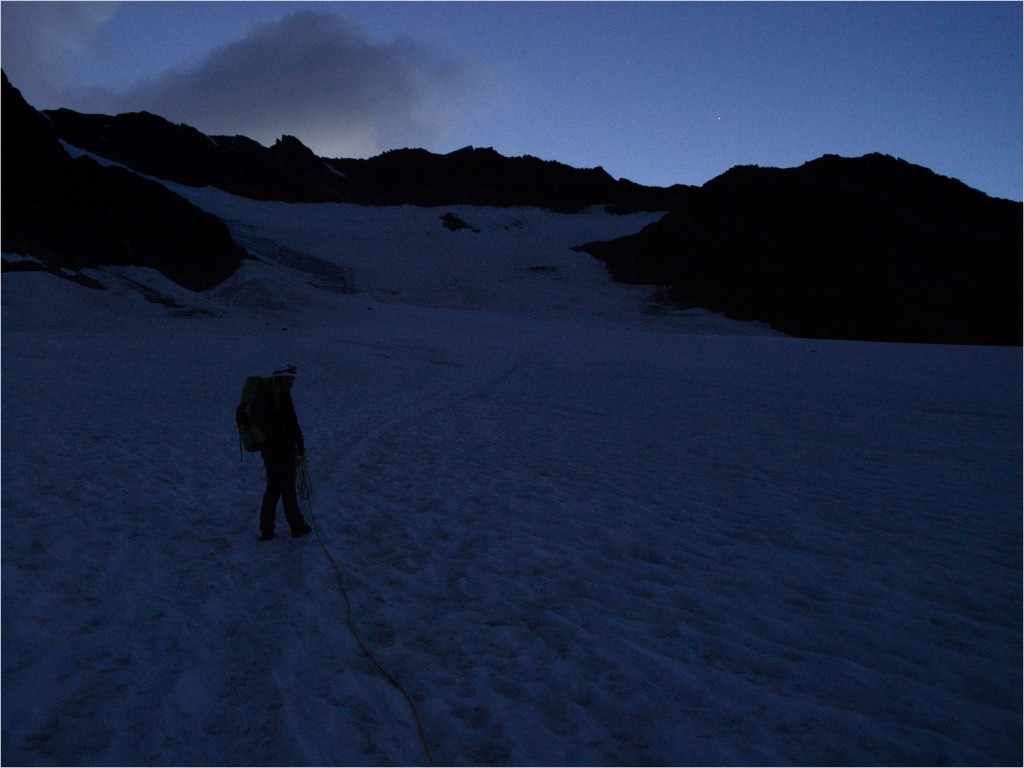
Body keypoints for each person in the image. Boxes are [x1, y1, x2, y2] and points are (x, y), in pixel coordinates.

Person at [252, 365, 312, 541]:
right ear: (279, 379)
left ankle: (267, 529)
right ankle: (297, 526)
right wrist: (298, 445)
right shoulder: (280, 398)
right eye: (288, 379)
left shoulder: (268, 396)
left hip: (270, 451)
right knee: (287, 489)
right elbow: (291, 424)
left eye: (292, 379)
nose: (291, 382)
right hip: (282, 451)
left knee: (273, 489)